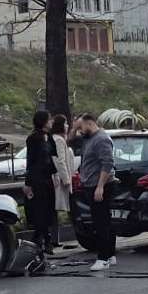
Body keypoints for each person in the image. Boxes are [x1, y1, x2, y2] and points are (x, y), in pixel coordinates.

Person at [76, 112, 116, 271]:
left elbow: (107, 164)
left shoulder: (101, 139)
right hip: (92, 184)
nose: (80, 130)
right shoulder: (89, 138)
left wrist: (100, 186)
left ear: (89, 123)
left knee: (101, 223)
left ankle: (103, 258)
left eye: (81, 126)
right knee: (105, 220)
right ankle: (110, 254)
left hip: (99, 186)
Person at [23, 110, 57, 251]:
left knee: (49, 208)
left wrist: (55, 174)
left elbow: (53, 155)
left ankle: (38, 240)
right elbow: (31, 161)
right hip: (37, 178)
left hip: (48, 177)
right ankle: (46, 240)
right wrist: (28, 182)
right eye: (49, 120)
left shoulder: (49, 137)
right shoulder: (33, 138)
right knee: (40, 210)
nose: (51, 122)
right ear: (43, 121)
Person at [50, 114, 77, 249]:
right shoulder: (59, 140)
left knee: (56, 210)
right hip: (60, 180)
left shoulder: (58, 139)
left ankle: (54, 239)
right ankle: (54, 239)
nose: (67, 126)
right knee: (59, 208)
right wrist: (66, 179)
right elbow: (60, 160)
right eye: (65, 123)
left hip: (60, 178)